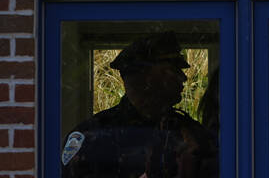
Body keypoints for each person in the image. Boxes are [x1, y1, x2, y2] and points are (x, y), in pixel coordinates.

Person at [61, 31, 217, 178]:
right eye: (173, 69)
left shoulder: (192, 135)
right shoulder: (93, 136)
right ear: (146, 77)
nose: (183, 77)